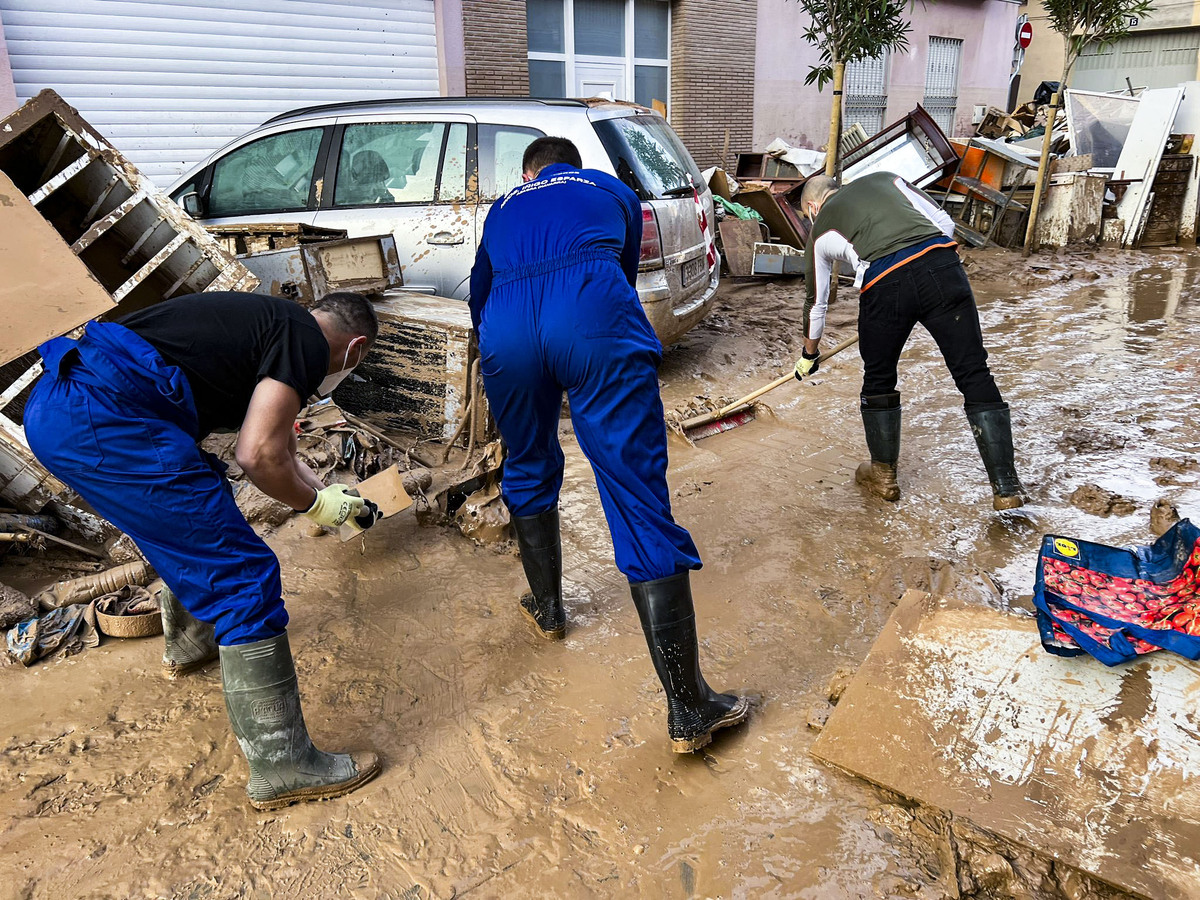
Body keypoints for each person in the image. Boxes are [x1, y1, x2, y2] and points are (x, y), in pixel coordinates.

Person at [23, 291, 383, 810]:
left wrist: (325, 495)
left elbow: (280, 448)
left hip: (61, 407)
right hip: (105, 418)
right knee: (243, 575)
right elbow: (257, 454)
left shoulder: (272, 322)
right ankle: (284, 767)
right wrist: (318, 509)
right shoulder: (305, 341)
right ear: (354, 348)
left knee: (191, 525)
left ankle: (193, 645)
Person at [469, 136, 749, 753]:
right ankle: (688, 708)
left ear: (528, 171)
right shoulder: (612, 190)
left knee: (529, 463)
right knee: (633, 489)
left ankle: (547, 610)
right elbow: (619, 273)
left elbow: (478, 293)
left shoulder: (504, 205)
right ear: (574, 164)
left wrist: (503, 349)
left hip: (507, 331)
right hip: (593, 316)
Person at [795, 172, 1025, 511]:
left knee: (879, 378)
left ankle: (884, 477)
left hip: (884, 284)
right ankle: (1006, 487)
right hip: (942, 265)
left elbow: (817, 302)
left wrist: (809, 354)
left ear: (813, 207)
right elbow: (944, 223)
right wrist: (928, 280)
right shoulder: (887, 179)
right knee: (974, 372)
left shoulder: (818, 231)